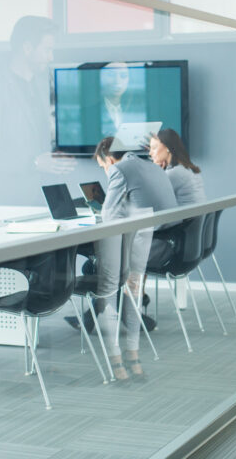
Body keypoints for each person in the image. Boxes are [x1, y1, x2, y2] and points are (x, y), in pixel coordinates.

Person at [77, 137, 177, 382]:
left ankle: (115, 361)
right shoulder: (149, 166)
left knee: (104, 278)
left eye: (103, 166)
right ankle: (132, 358)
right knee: (126, 287)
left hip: (143, 243)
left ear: (109, 158)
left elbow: (110, 216)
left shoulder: (120, 169)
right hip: (162, 239)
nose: (105, 170)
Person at [0, 15, 75, 206]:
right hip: (14, 200)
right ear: (27, 48)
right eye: (47, 50)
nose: (51, 57)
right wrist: (33, 162)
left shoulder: (43, 85)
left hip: (50, 195)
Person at [149, 129, 206, 205]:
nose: (150, 153)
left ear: (167, 147)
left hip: (185, 216)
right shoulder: (187, 169)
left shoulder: (174, 173)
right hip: (195, 215)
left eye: (154, 148)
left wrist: (157, 171)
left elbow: (149, 197)